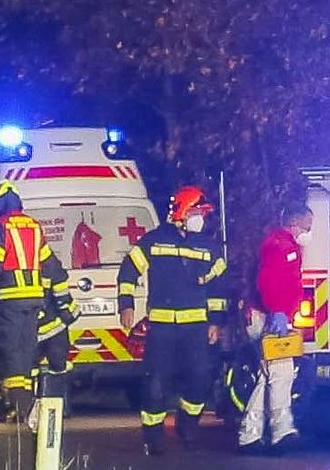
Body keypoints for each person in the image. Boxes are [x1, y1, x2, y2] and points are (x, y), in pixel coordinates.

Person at [130, 187, 232, 455]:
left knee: (200, 379)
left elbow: (219, 287)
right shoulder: (154, 241)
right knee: (156, 384)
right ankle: (152, 439)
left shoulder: (208, 246)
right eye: (197, 212)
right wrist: (125, 304)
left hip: (196, 327)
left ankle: (187, 427)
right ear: (182, 212)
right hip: (161, 328)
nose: (201, 218)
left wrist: (216, 322)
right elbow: (128, 271)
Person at [0, 181, 65, 418]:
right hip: (34, 301)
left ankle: (23, 409)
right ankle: (26, 406)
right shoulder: (34, 226)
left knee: (11, 353)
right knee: (26, 353)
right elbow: (51, 263)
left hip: (9, 301)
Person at [242, 195, 314, 450]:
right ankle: (281, 430)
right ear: (294, 223)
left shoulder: (281, 244)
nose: (309, 233)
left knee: (268, 376)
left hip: (269, 315)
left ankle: (250, 435)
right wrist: (277, 311)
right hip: (269, 317)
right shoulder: (281, 246)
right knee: (281, 373)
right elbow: (268, 282)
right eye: (307, 227)